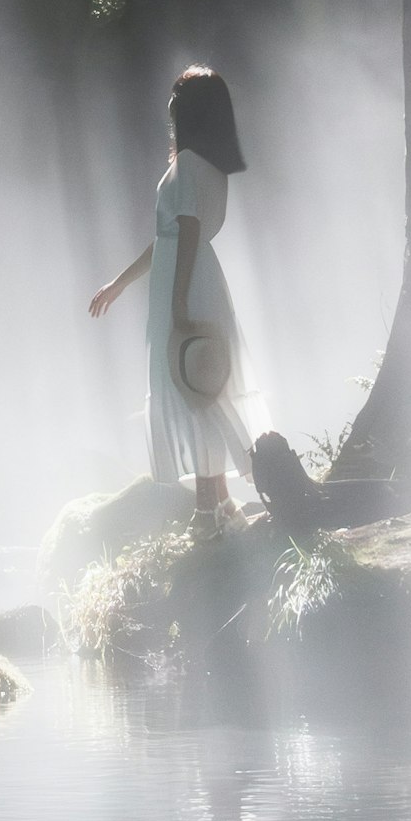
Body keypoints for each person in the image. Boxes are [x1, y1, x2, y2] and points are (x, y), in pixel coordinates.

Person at [87, 66, 259, 518]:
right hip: (195, 277)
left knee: (193, 388)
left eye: (176, 95)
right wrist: (119, 284)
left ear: (187, 109)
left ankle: (208, 513)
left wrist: (179, 300)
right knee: (201, 385)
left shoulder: (188, 166)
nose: (169, 103)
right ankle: (219, 504)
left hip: (188, 282)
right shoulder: (207, 166)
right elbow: (168, 238)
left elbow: (185, 232)